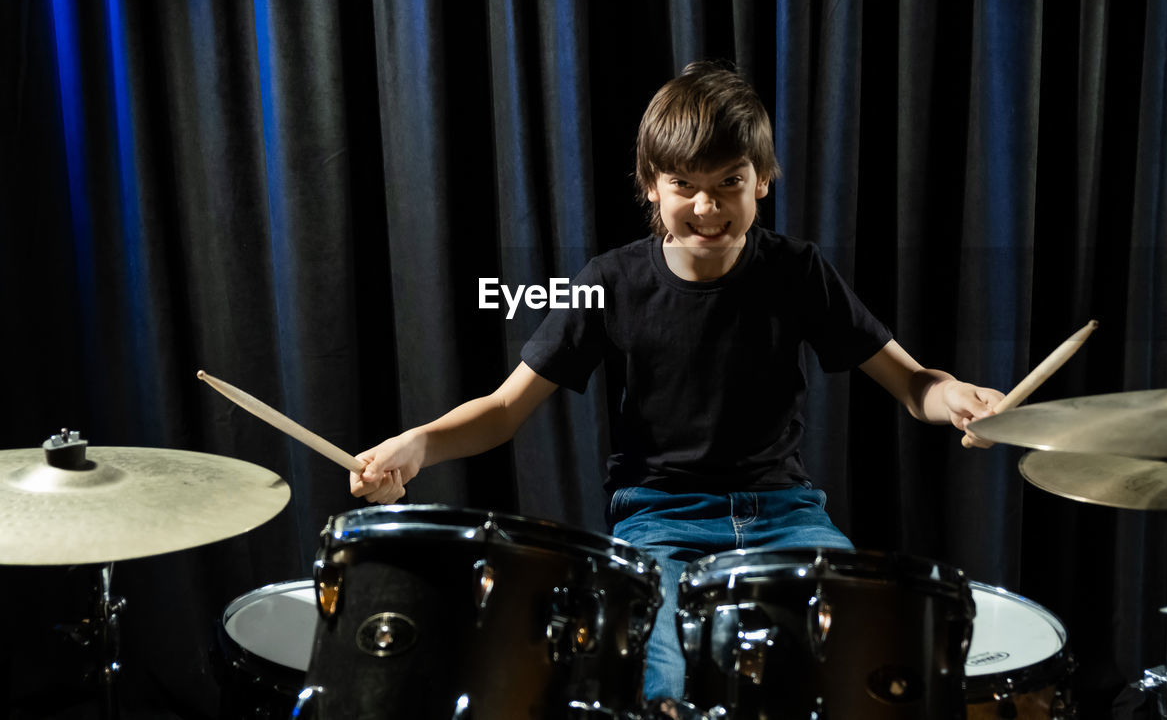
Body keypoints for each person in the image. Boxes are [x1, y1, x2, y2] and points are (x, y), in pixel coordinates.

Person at [349, 60, 1003, 702]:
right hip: (657, 522)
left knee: (856, 662)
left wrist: (959, 400)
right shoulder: (611, 283)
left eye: (729, 182)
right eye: (684, 184)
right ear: (651, 185)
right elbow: (502, 407)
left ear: (764, 180)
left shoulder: (797, 272)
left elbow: (914, 382)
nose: (706, 205)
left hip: (787, 516)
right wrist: (418, 444)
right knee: (648, 679)